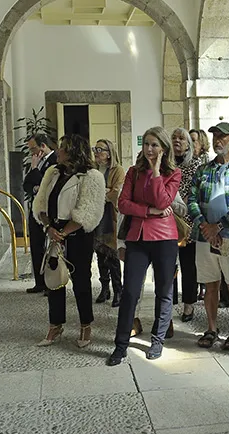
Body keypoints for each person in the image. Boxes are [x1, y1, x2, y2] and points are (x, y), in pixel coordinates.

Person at [108, 127, 182, 365]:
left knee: (164, 291)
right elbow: (123, 204)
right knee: (130, 292)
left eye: (154, 145)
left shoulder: (174, 173)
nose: (149, 149)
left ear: (164, 149)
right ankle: (120, 345)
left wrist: (157, 171)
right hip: (137, 238)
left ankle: (157, 340)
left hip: (165, 239)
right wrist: (150, 211)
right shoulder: (133, 172)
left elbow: (164, 201)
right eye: (146, 144)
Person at [33, 134, 105, 348]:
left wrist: (63, 232)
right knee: (54, 279)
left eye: (63, 147)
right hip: (54, 232)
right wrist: (48, 227)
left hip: (77, 235)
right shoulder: (53, 172)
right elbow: (41, 203)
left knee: (81, 281)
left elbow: (88, 211)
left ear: (74, 151)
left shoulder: (91, 176)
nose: (59, 151)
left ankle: (85, 325)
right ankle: (55, 325)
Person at [188, 122, 229, 350]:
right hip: (204, 237)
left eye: (222, 136)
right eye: (214, 136)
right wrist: (205, 226)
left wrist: (218, 227)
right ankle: (211, 328)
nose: (217, 140)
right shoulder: (202, 170)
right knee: (210, 284)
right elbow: (191, 199)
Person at [171, 128, 205, 322]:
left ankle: (189, 304)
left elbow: (195, 192)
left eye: (181, 138)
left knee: (188, 265)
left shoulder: (196, 165)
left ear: (188, 144)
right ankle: (170, 303)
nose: (177, 141)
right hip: (165, 219)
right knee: (168, 264)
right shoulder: (165, 163)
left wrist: (179, 207)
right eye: (174, 137)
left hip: (188, 222)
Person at [93, 139, 126, 308]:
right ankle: (104, 288)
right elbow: (89, 191)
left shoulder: (117, 170)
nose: (96, 153)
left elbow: (116, 193)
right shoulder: (93, 169)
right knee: (99, 253)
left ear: (109, 152)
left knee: (112, 255)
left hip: (110, 216)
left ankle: (118, 290)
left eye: (100, 150)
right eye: (95, 149)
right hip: (96, 216)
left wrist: (102, 192)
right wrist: (105, 191)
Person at [23, 133, 57, 294]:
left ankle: (51, 282)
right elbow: (26, 185)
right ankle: (39, 282)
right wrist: (34, 172)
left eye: (33, 148)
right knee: (36, 246)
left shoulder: (55, 160)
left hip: (49, 211)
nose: (32, 152)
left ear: (43, 146)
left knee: (51, 247)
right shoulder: (36, 161)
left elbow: (46, 185)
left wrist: (35, 170)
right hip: (35, 209)